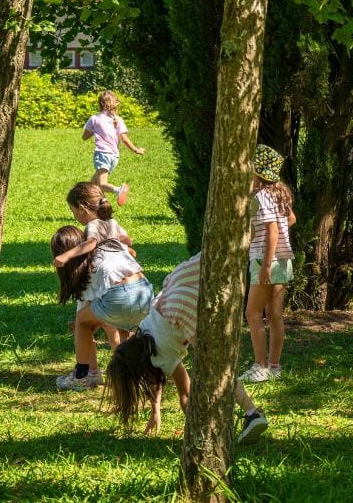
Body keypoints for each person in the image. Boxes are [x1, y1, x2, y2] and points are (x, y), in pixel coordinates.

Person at [106, 252, 270, 444]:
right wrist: (155, 410)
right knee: (216, 255)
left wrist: (195, 431)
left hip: (181, 310)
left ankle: (251, 413)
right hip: (173, 287)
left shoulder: (160, 357)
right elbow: (154, 376)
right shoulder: (142, 336)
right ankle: (243, 242)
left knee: (217, 364)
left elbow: (186, 393)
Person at [51, 220, 153, 392]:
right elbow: (131, 250)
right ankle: (132, 376)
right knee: (113, 325)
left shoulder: (85, 270)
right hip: (145, 292)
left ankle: (82, 376)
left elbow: (85, 319)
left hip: (120, 298)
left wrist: (82, 325)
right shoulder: (105, 246)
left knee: (83, 321)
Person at [240, 144, 296, 383]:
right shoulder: (280, 192)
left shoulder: (261, 196)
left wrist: (264, 264)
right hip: (283, 261)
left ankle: (260, 366)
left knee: (252, 313)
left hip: (266, 261)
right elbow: (290, 219)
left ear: (257, 172)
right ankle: (274, 366)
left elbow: (272, 230)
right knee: (275, 316)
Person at [56, 181, 134, 355]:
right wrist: (123, 250)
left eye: (73, 210)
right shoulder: (112, 222)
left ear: (82, 208)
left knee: (85, 321)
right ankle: (121, 363)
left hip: (103, 278)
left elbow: (91, 244)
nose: (74, 215)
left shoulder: (92, 226)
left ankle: (87, 371)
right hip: (122, 279)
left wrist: (66, 255)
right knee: (117, 327)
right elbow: (128, 242)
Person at [83, 90, 144, 206]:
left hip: (102, 154)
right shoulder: (118, 119)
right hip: (114, 157)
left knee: (101, 183)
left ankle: (119, 190)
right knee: (93, 185)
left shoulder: (94, 118)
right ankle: (98, 205)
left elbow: (84, 137)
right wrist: (136, 150)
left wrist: (94, 130)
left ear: (100, 103)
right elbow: (124, 139)